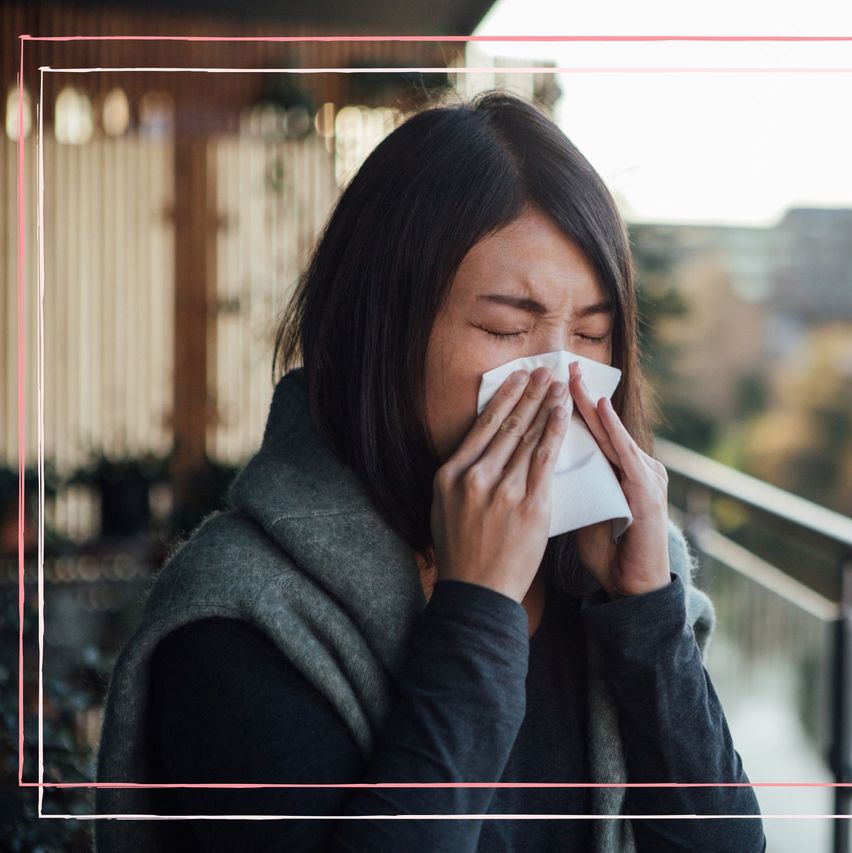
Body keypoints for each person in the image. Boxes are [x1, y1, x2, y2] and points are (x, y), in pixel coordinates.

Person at [92, 89, 766, 853]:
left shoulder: (615, 572)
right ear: (382, 330)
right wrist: (476, 609)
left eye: (591, 332)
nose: (559, 381)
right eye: (507, 328)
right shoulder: (243, 617)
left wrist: (650, 619)